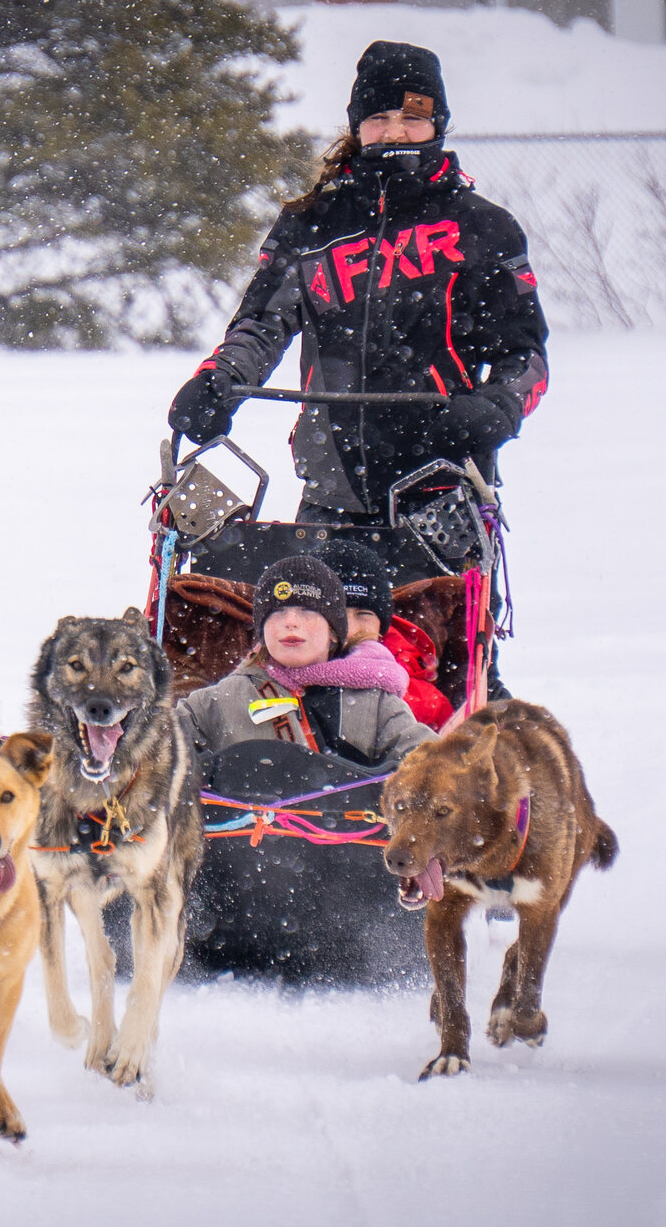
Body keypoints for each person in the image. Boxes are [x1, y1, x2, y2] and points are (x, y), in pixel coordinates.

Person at [167, 40, 549, 585]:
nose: (395, 131)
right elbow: (261, 325)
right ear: (357, 126)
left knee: (437, 657)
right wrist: (217, 381)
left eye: (411, 118)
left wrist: (498, 407)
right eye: (379, 117)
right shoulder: (311, 222)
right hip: (331, 488)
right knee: (306, 651)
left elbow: (526, 356)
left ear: (437, 124)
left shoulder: (482, 227)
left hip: (442, 485)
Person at [177, 551, 434, 780]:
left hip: (352, 830)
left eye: (307, 611)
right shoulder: (217, 702)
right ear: (262, 631)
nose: (290, 622)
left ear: (334, 632)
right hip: (239, 832)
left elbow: (431, 764)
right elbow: (153, 748)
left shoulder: (376, 704)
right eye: (276, 612)